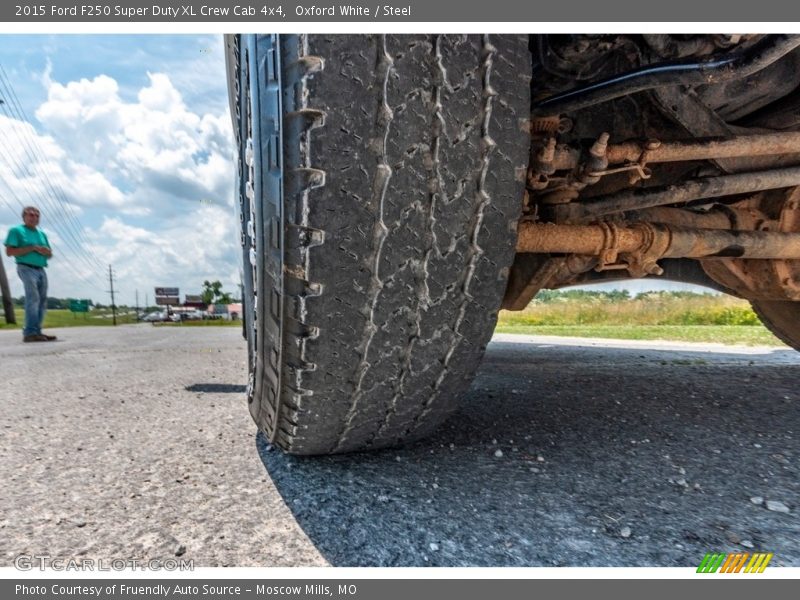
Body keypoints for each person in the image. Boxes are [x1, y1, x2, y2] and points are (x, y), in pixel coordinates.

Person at [4, 206, 56, 342]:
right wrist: (32, 248)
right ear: (24, 217)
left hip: (41, 269)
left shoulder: (42, 234)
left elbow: (50, 254)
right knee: (33, 299)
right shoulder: (16, 231)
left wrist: (47, 252)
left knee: (42, 301)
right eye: (31, 215)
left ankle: (37, 331)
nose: (34, 218)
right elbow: (9, 252)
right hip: (26, 268)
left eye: (37, 215)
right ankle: (29, 333)